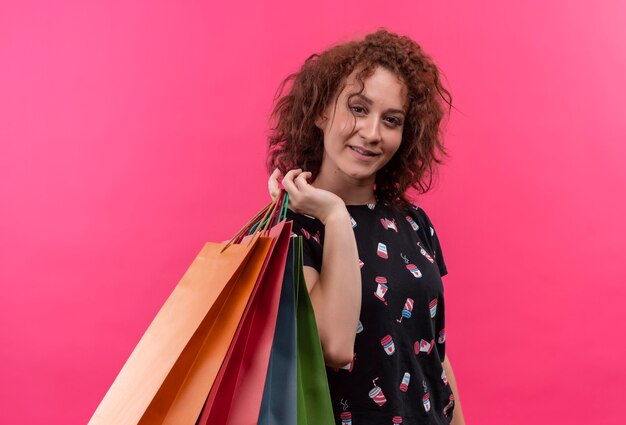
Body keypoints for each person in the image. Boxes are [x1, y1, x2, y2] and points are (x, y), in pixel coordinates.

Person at [267, 29, 466, 425]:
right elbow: (333, 346)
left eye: (390, 120)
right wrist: (336, 215)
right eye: (358, 108)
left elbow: (433, 353)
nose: (372, 133)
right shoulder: (292, 228)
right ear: (321, 112)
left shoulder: (413, 223)